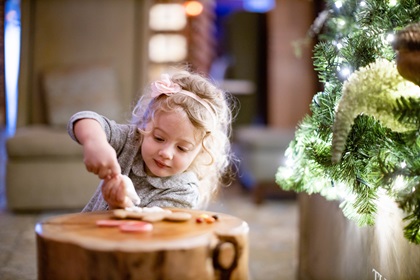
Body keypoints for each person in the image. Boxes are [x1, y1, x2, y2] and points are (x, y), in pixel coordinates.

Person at [67, 70, 235, 212]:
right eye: (159, 138)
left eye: (182, 148)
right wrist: (95, 143)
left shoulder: (183, 192)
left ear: (201, 151)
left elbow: (152, 234)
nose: (166, 153)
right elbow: (85, 118)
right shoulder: (132, 140)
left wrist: (122, 207)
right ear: (144, 125)